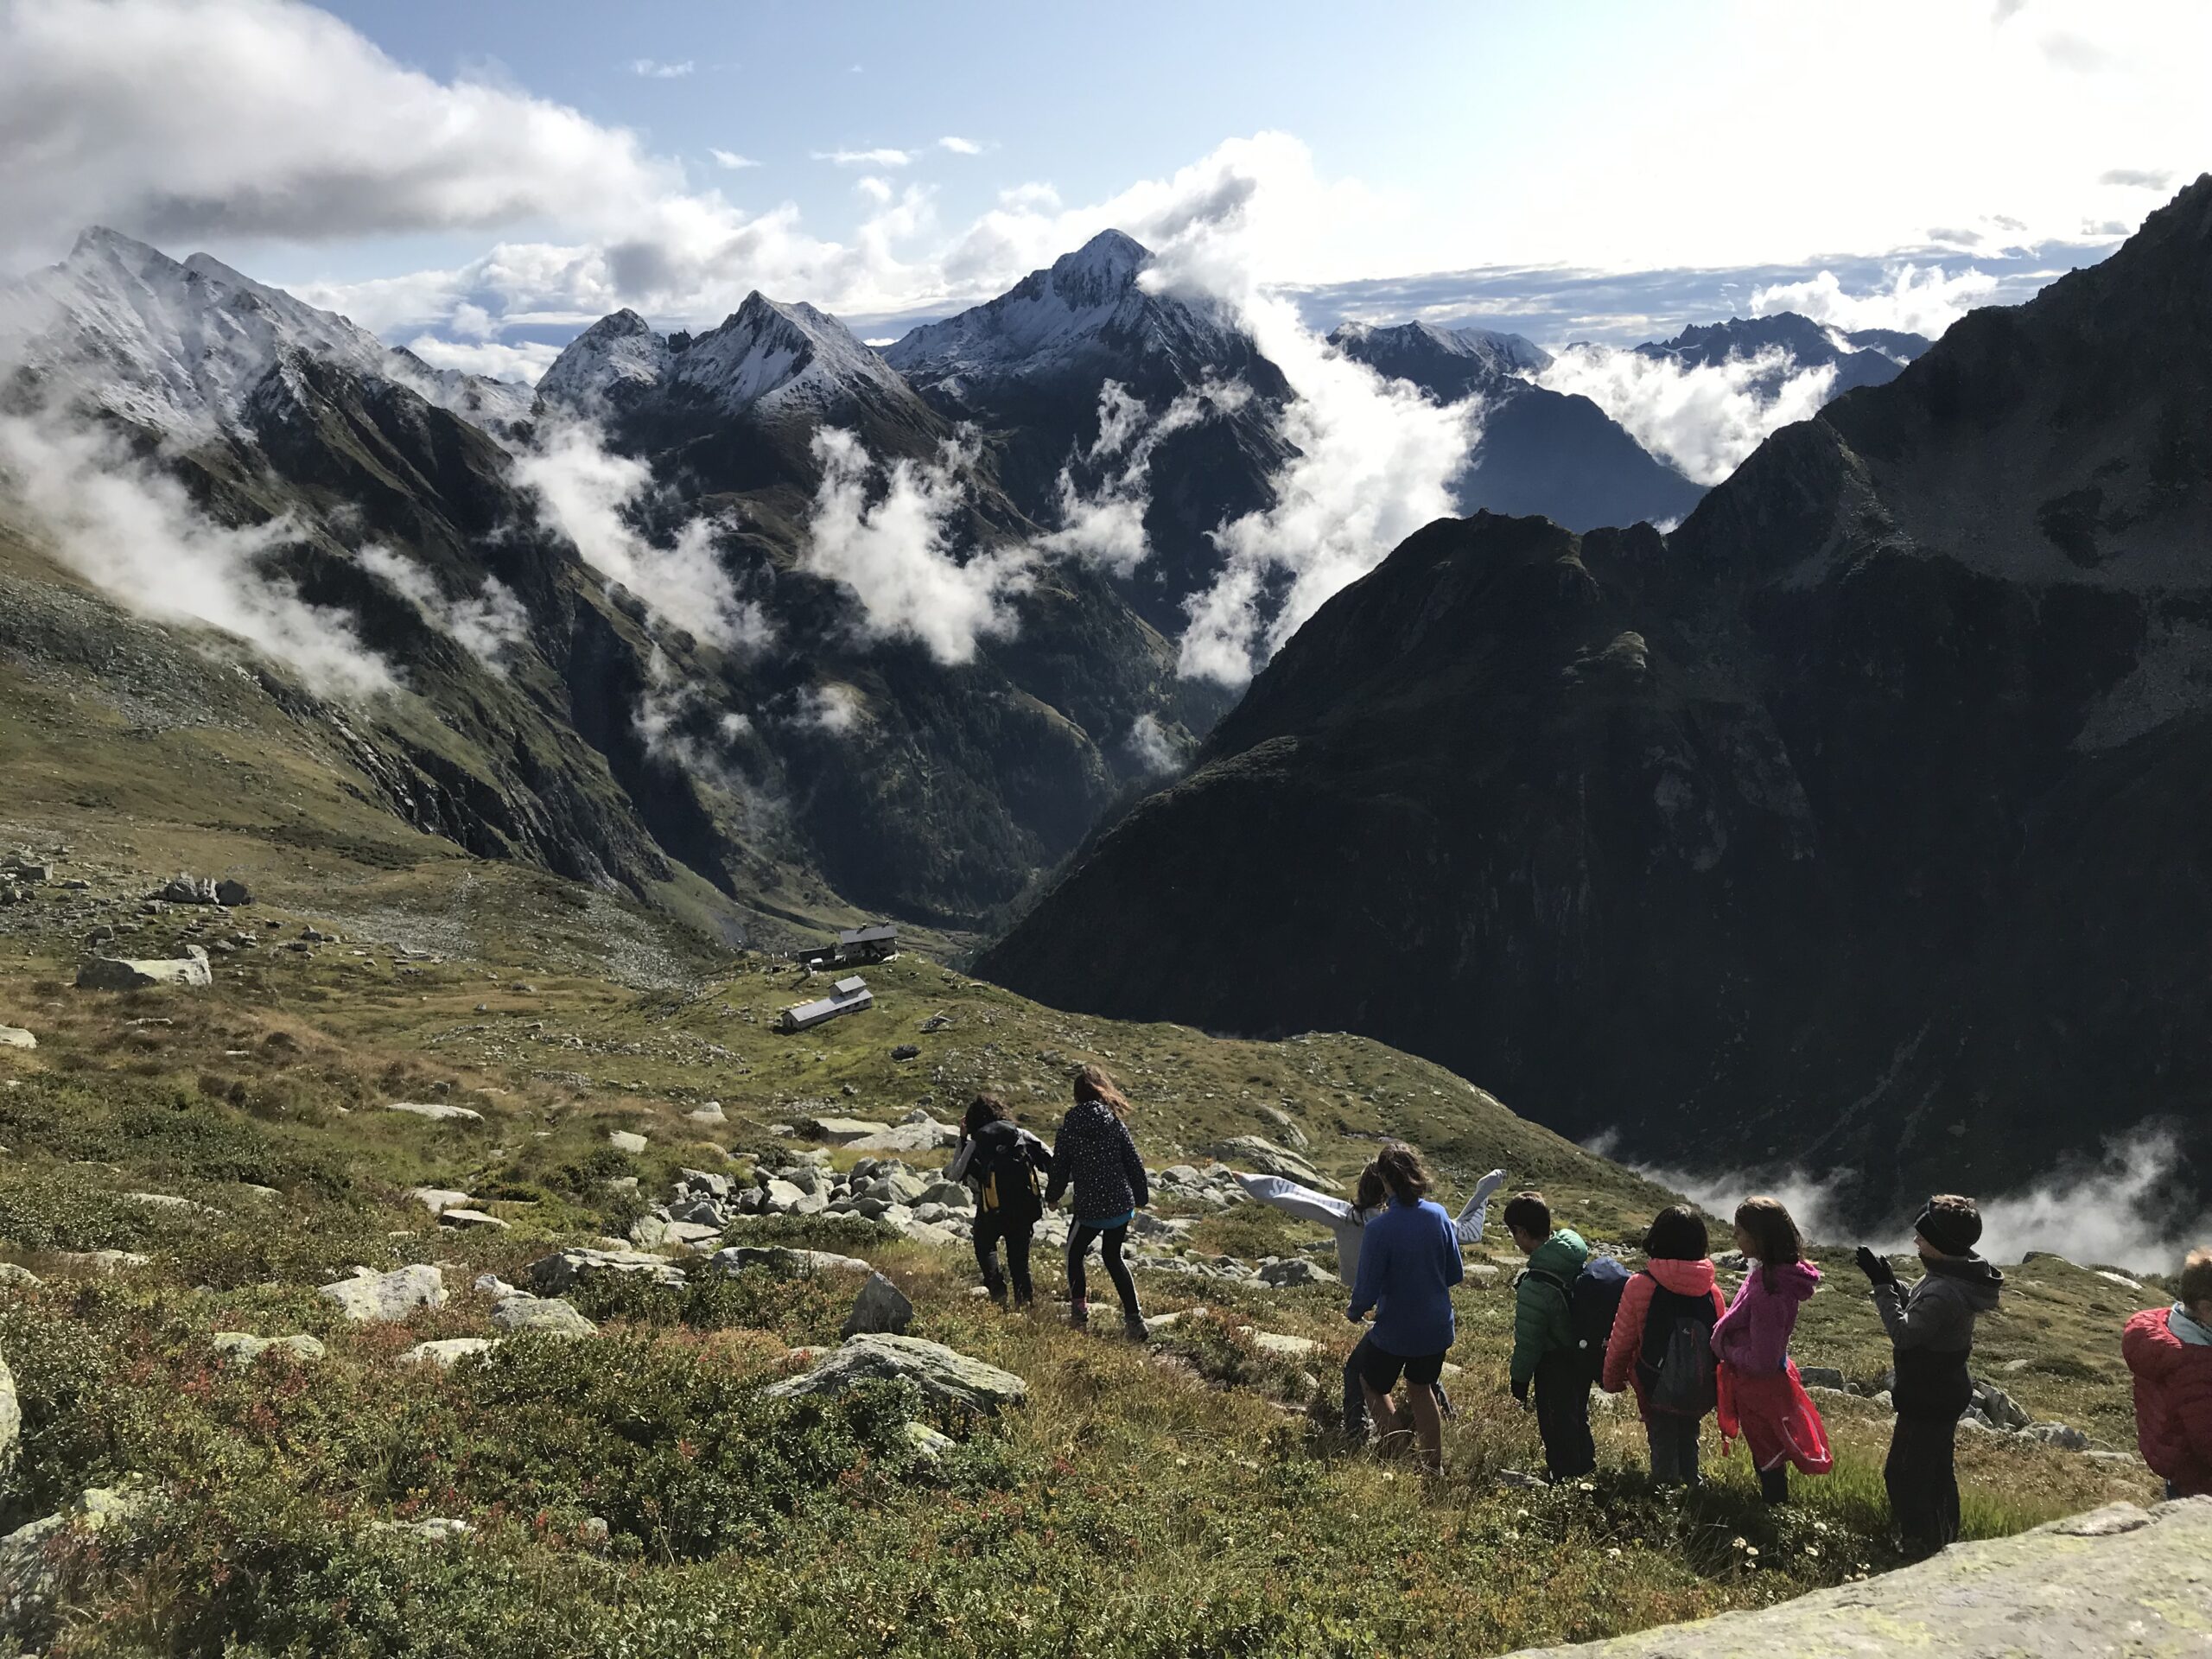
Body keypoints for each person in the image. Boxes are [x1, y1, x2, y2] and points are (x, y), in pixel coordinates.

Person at [1236, 1161, 1505, 1438]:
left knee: (1359, 1370)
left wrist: (1253, 1183)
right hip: (1430, 1317)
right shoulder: (1427, 1218)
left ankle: (1360, 1430)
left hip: (1392, 1318)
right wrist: (1483, 1193)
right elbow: (1467, 1232)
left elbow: (1297, 1197)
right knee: (1423, 1376)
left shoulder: (1352, 1217)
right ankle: (1445, 1422)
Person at [1856, 1193, 2004, 1558]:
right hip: (1945, 1389)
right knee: (1936, 1468)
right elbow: (1925, 1312)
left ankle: (1916, 1543)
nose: (1916, 1241)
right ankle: (1944, 1536)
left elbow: (1906, 1333)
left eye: (1922, 1236)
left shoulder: (1945, 1288)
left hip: (1928, 1395)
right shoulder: (1951, 1275)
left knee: (1903, 1474)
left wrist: (1880, 1288)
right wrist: (1895, 1284)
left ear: (1940, 1244)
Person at [1345, 1143, 1464, 1473]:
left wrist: (1354, 1312)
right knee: (1421, 1388)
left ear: (1385, 1181)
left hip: (1396, 1332)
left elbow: (1366, 1290)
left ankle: (1396, 1444)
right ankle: (1432, 1466)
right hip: (1437, 1328)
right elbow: (1455, 1273)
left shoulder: (1379, 1229)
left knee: (1372, 1383)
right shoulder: (1439, 1215)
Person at [1711, 1196, 1831, 1503]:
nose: (1735, 1238)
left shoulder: (1768, 1288)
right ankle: (1775, 1512)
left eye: (1740, 1231)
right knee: (1770, 1453)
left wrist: (1725, 1348)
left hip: (1759, 1387)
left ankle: (1773, 1517)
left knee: (1768, 1457)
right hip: (1765, 1383)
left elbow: (1762, 1361)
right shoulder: (1773, 1275)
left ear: (1758, 1236)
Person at [1603, 1205, 1726, 1486]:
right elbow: (1720, 1344)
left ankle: (1665, 1495)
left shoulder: (1640, 1285)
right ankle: (1692, 1486)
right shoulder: (1712, 1290)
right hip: (1699, 1387)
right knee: (1689, 1432)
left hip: (1656, 1384)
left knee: (1662, 1438)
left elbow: (1622, 1339)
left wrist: (1611, 1380)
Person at [1044, 1064, 1151, 1339]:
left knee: (1073, 1252)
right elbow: (1134, 1163)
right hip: (1119, 1205)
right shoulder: (1114, 1122)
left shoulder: (1069, 1126)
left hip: (1089, 1209)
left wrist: (1052, 1197)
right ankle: (1134, 1320)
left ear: (1077, 1095)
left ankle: (1079, 1313)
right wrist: (1141, 1197)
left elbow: (1059, 1168)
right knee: (1113, 1256)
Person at [1506, 1192, 1598, 1480]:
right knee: (1577, 1417)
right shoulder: (1569, 1253)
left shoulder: (1535, 1283)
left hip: (1554, 1363)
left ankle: (1564, 1480)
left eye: (1514, 1233)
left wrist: (1519, 1379)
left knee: (1555, 1424)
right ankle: (1586, 1470)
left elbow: (1530, 1341)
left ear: (1522, 1232)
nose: (1515, 1240)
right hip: (1582, 1355)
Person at [945, 1093, 1052, 1307]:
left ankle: (997, 1290)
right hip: (1023, 1210)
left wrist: (962, 1138)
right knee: (1019, 1263)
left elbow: (955, 1175)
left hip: (992, 1209)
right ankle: (1026, 1306)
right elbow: (1049, 1158)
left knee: (984, 1245)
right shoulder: (1019, 1134)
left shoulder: (978, 1140)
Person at [2121, 1246, 2212, 1498]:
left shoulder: (2168, 1328)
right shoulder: (2195, 1366)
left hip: (2178, 1475)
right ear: (2206, 1309)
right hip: (2202, 1488)